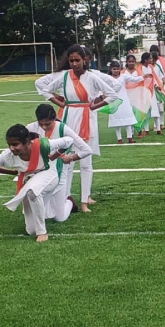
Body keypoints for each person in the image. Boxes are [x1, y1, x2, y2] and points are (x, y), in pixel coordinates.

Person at [35, 44, 118, 212]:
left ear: (84, 60)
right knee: (67, 161)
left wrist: (94, 106)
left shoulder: (92, 77)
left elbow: (113, 94)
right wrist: (60, 103)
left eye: (77, 60)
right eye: (71, 60)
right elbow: (46, 90)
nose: (74, 63)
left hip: (87, 119)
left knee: (86, 161)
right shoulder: (65, 76)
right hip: (69, 117)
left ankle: (85, 200)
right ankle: (65, 198)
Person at [0, 124, 92, 242]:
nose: (12, 148)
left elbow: (69, 141)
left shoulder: (43, 145)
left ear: (27, 141)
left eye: (15, 144)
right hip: (29, 180)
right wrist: (14, 173)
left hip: (49, 174)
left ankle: (42, 233)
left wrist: (55, 155)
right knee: (31, 230)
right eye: (9, 144)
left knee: (32, 191)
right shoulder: (8, 156)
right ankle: (68, 203)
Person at [106, 60, 140, 144]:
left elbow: (134, 79)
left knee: (128, 119)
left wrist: (144, 77)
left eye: (117, 69)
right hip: (114, 101)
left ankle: (130, 138)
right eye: (114, 69)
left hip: (124, 100)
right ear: (111, 69)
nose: (116, 70)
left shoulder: (123, 76)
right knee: (116, 120)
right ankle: (119, 139)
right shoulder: (107, 78)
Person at [122, 54, 153, 136]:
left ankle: (139, 130)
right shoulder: (123, 72)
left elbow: (143, 82)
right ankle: (130, 132)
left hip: (137, 95)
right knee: (129, 113)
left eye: (133, 61)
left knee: (138, 113)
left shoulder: (139, 71)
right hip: (127, 95)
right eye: (129, 61)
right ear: (126, 62)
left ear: (135, 62)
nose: (131, 63)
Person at [138, 52, 163, 136]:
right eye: (150, 58)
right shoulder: (140, 68)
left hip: (152, 91)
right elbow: (138, 80)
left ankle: (158, 129)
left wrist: (157, 85)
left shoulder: (151, 67)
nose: (151, 60)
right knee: (145, 111)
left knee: (155, 109)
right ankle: (146, 130)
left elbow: (154, 78)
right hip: (144, 92)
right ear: (145, 60)